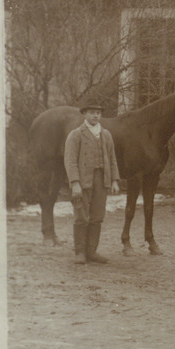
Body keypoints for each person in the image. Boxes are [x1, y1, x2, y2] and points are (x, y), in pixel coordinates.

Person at [64, 104, 120, 264]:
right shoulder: (76, 135)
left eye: (98, 113)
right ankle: (80, 252)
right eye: (92, 113)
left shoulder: (106, 135)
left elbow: (112, 159)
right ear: (84, 114)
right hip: (82, 180)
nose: (95, 116)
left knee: (97, 216)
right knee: (81, 215)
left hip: (101, 180)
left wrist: (114, 180)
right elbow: (70, 161)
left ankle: (92, 251)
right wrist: (75, 183)